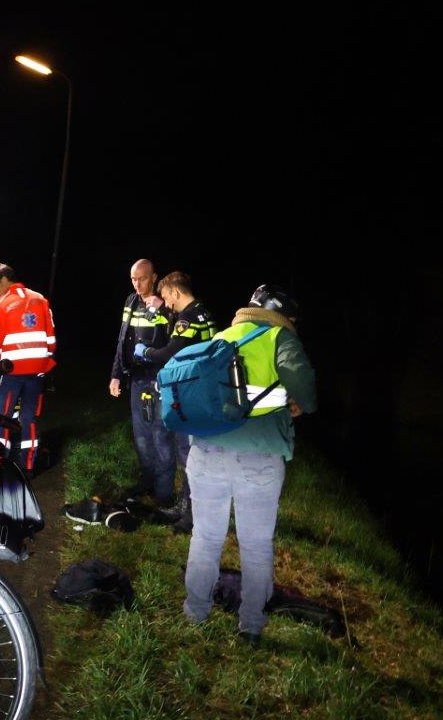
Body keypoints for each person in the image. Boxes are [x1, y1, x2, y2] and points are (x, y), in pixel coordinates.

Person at [182, 285, 316, 644]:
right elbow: (303, 383)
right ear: (283, 315)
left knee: (205, 537)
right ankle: (251, 626)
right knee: (255, 544)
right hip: (258, 459)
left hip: (207, 454)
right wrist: (302, 402)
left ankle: (195, 613)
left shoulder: (223, 336)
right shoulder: (280, 338)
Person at [139, 271, 216, 532]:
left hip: (192, 395)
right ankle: (185, 508)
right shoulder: (202, 312)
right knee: (190, 455)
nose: (166, 301)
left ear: (175, 292)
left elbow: (170, 352)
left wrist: (147, 352)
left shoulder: (188, 318)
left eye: (166, 296)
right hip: (201, 390)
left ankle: (191, 518)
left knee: (188, 456)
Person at [109, 259, 176, 505]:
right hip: (136, 378)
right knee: (141, 435)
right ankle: (147, 481)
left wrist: (165, 311)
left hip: (159, 378)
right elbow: (122, 340)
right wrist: (116, 374)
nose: (137, 284)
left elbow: (178, 338)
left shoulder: (166, 301)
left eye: (143, 278)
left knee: (161, 435)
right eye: (133, 279)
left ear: (154, 277)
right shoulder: (131, 301)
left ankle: (165, 495)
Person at [0, 263, 56, 472]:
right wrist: (43, 362)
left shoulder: (1, 303)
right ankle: (28, 466)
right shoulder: (40, 299)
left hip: (12, 371)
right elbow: (51, 339)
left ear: (4, 279)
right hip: (37, 371)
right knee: (29, 418)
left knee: (2, 418)